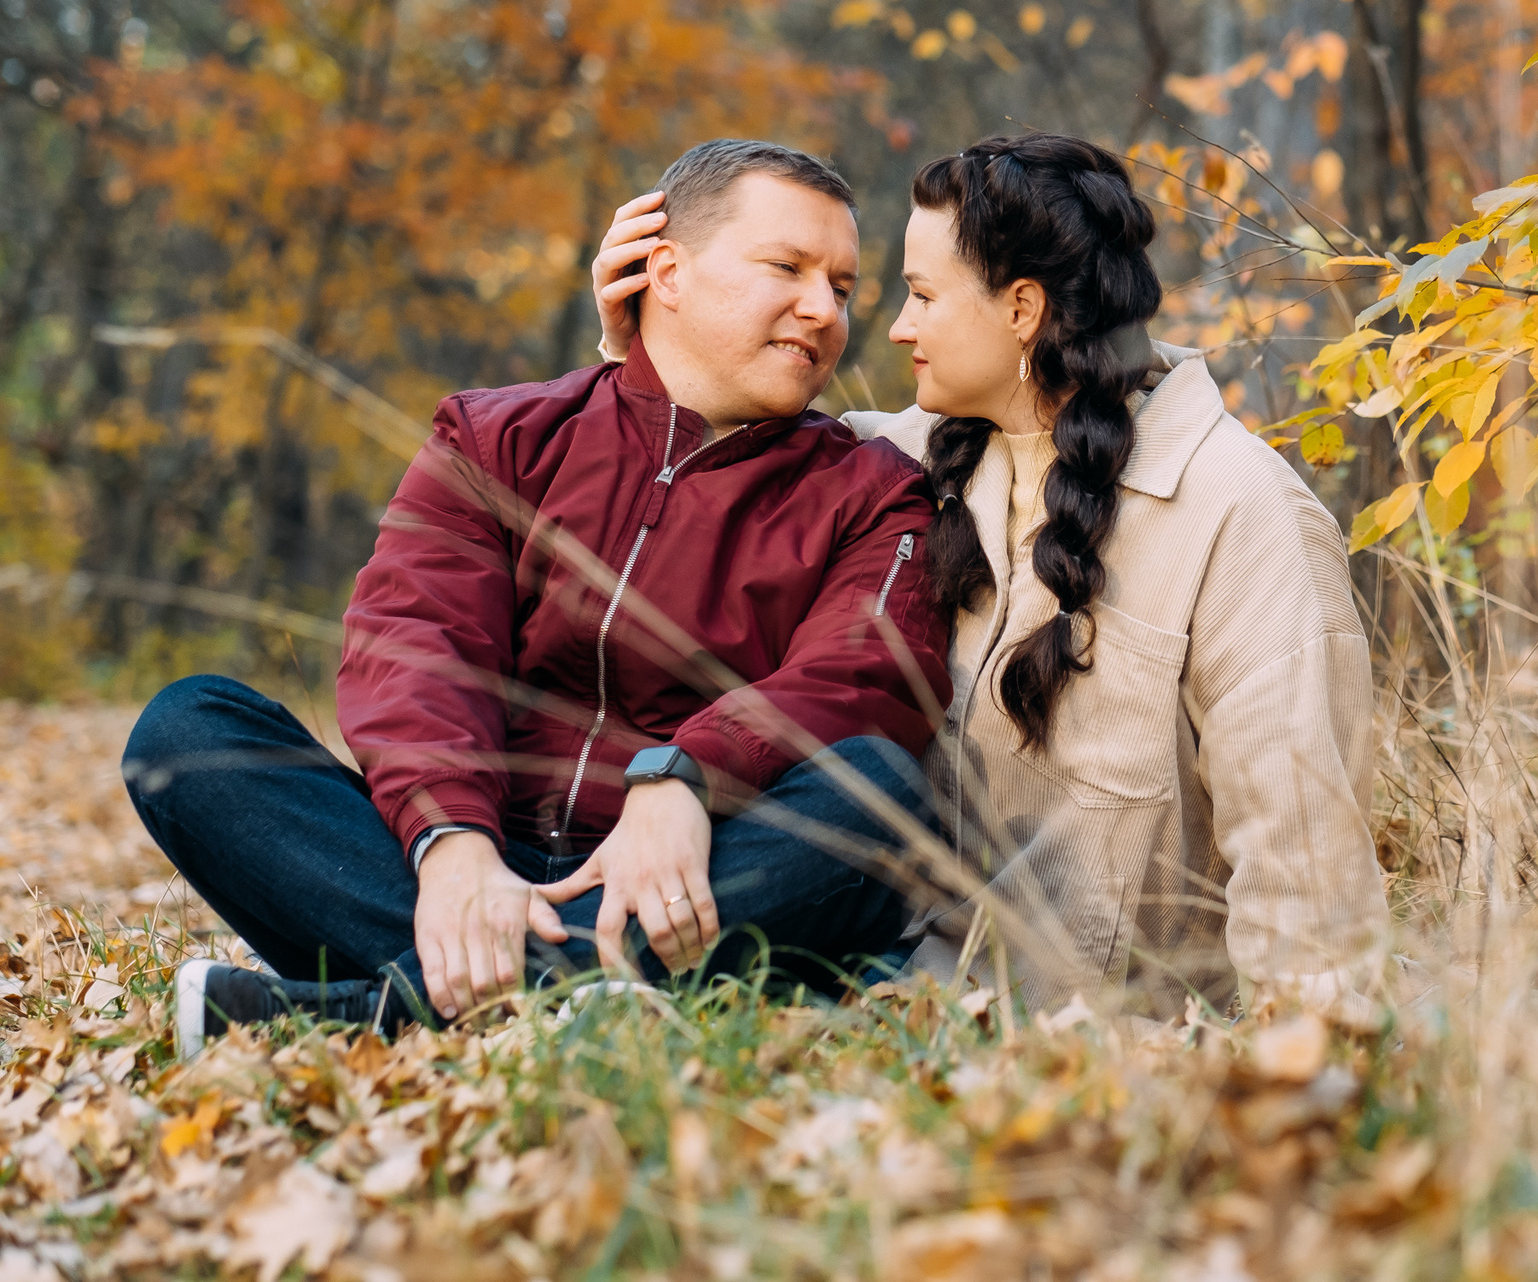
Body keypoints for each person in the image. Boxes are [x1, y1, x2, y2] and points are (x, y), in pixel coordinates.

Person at [125, 139, 951, 1058]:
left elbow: (867, 670)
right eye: (788, 268)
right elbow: (416, 641)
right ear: (666, 272)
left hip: (693, 873)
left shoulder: (871, 486)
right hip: (466, 851)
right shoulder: (497, 434)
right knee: (185, 730)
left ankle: (378, 1014)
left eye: (841, 286)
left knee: (879, 787)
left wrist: (682, 778)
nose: (823, 310)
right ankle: (580, 994)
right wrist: (454, 848)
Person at [592, 133, 1387, 1018]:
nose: (896, 326)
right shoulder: (893, 462)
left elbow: (1304, 881)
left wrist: (1301, 1088)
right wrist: (656, 331)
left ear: (1021, 309)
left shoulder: (1243, 513)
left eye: (923, 295)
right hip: (861, 1029)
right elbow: (690, 489)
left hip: (1091, 1077)